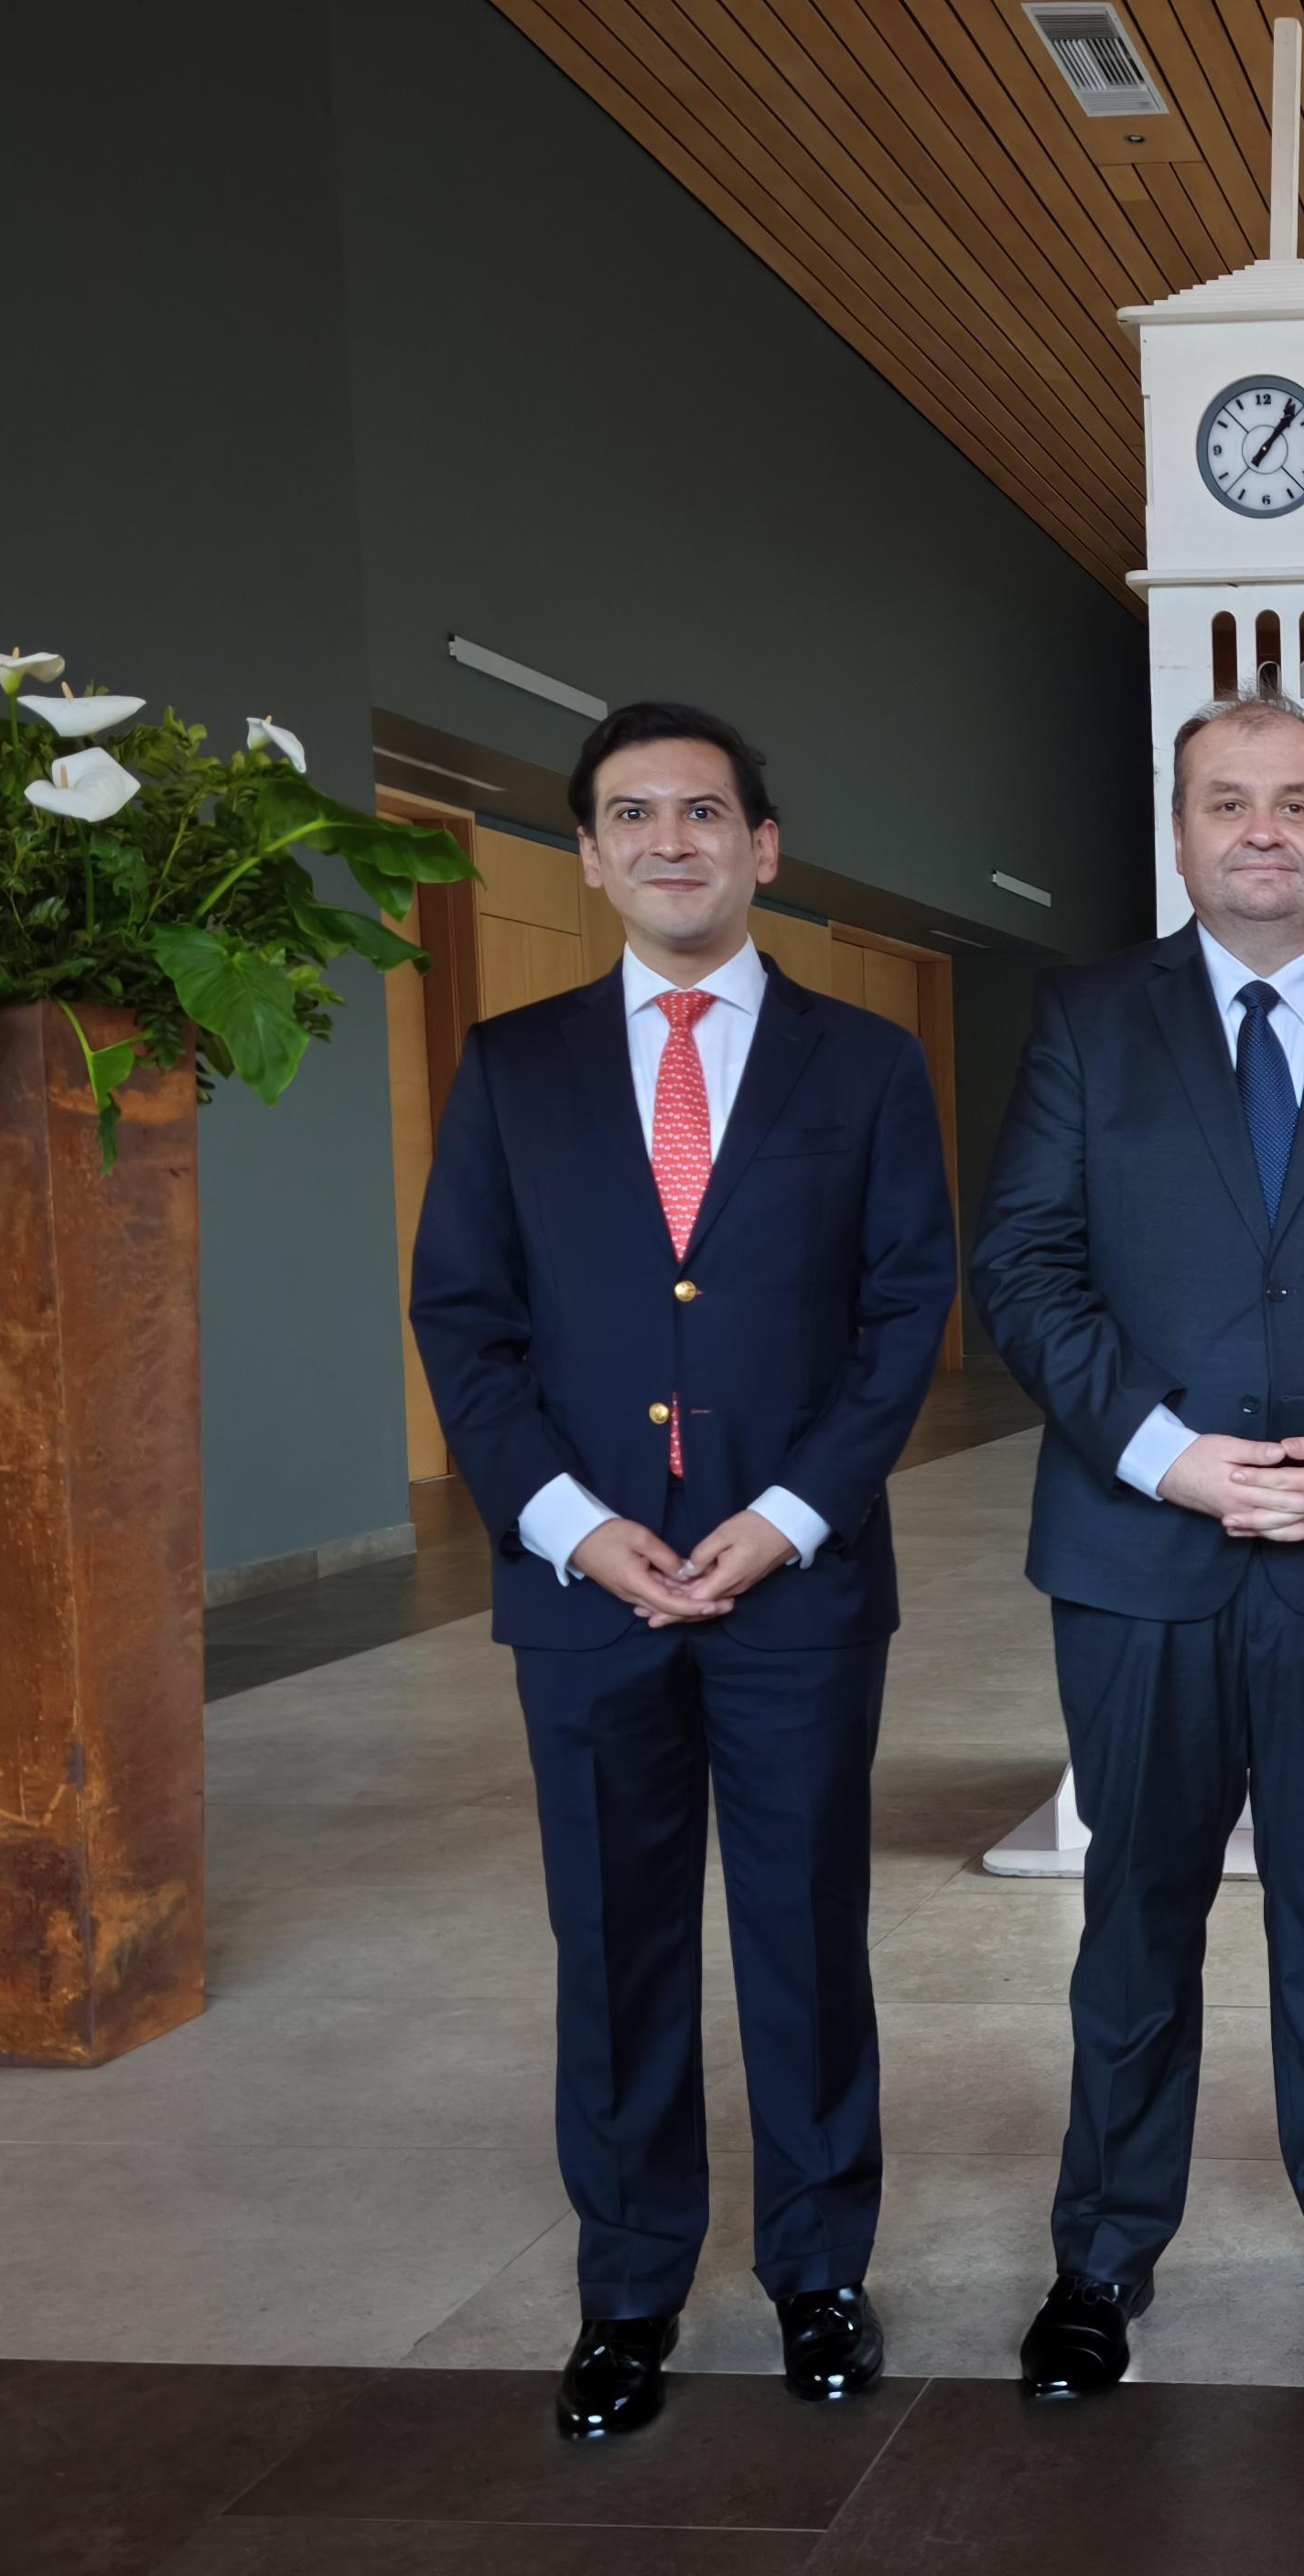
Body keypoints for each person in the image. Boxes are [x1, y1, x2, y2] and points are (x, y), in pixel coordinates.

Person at [411, 701, 954, 2439]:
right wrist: (569, 1524)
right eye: (632, 816)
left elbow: (904, 1314)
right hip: (588, 1592)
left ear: (762, 848)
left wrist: (791, 1514)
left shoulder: (864, 1065)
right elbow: (464, 1322)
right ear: (587, 856)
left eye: (704, 813)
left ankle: (820, 2273)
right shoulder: (514, 1067)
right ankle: (631, 2287)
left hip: (797, 1583)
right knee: (614, 1939)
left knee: (805, 1936)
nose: (671, 841)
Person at [971, 693, 1304, 2399]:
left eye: (1296, 801)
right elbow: (1025, 1266)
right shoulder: (1086, 1020)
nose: (1263, 830)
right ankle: (1103, 2252)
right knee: (1137, 1911)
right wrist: (1171, 1459)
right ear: (1181, 828)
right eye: (1228, 801)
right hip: (1144, 1549)